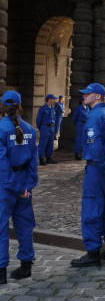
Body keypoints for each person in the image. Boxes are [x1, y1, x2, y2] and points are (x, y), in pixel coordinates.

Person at [71, 83, 105, 267]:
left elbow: (95, 147)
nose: (84, 96)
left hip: (97, 169)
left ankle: (93, 252)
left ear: (98, 96)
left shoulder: (94, 116)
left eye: (88, 94)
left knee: (92, 209)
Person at [0, 90, 38, 284]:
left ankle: (1, 272)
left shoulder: (1, 128)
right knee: (24, 226)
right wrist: (27, 186)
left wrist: (13, 186)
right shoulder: (29, 129)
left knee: (1, 228)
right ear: (20, 105)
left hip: (4, 186)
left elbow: (2, 163)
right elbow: (34, 161)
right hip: (23, 185)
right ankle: (26, 265)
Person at [36, 94, 58, 165]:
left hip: (52, 127)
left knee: (50, 143)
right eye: (53, 99)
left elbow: (54, 118)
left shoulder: (52, 108)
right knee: (43, 143)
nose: (54, 100)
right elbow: (38, 120)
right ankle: (41, 158)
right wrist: (41, 127)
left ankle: (49, 158)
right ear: (49, 99)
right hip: (45, 127)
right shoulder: (43, 108)